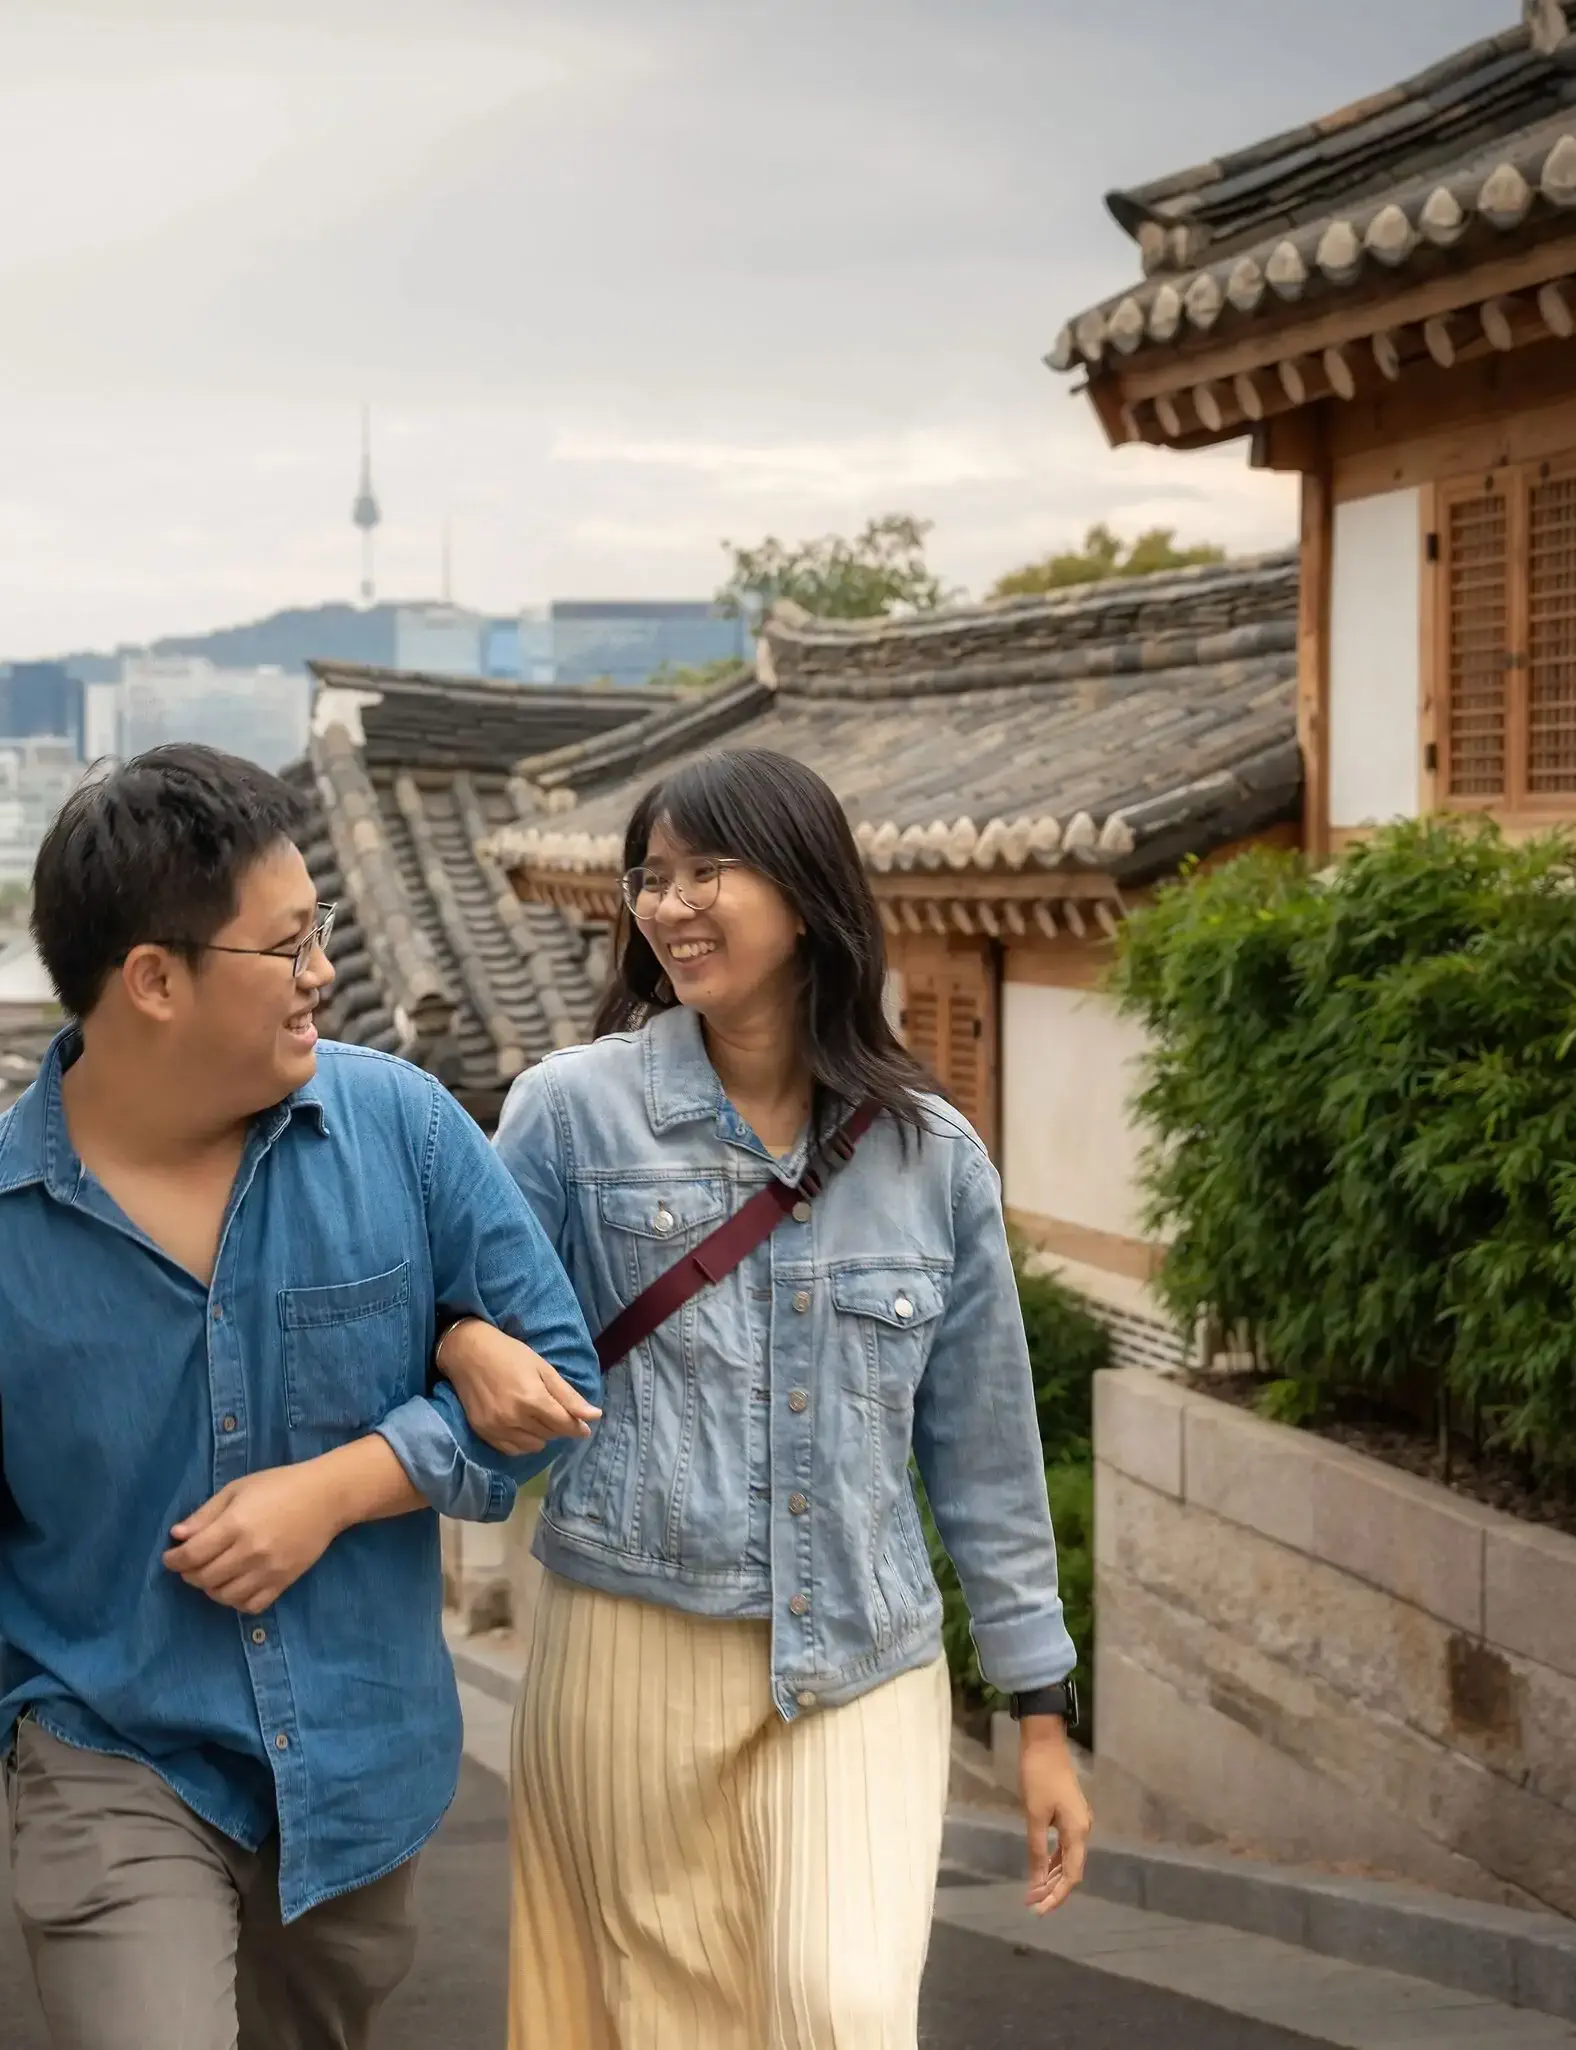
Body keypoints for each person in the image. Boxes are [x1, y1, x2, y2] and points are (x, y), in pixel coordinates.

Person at [0, 744, 601, 2050]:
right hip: (108, 1752)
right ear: (154, 979)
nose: (323, 973)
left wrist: (346, 1482)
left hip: (356, 1762)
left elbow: (561, 1382)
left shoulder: (406, 1132)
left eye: (318, 933)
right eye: (287, 945)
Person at [437, 746, 1091, 2050]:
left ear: (804, 896)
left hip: (863, 1653)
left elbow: (987, 1457)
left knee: (843, 2009)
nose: (670, 904)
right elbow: (455, 1315)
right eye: (652, 877)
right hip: (631, 1643)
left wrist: (1039, 1714)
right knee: (664, 2022)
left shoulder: (932, 1157)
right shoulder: (570, 1116)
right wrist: (459, 1342)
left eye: (707, 871)